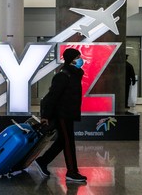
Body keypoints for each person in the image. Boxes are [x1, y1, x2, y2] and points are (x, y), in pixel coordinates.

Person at [34, 48, 87, 182]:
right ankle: (72, 172)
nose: (81, 60)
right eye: (78, 57)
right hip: (61, 114)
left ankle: (43, 161)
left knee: (62, 141)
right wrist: (46, 116)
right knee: (68, 142)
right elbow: (52, 97)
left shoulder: (74, 74)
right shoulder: (62, 76)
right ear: (71, 60)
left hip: (68, 113)